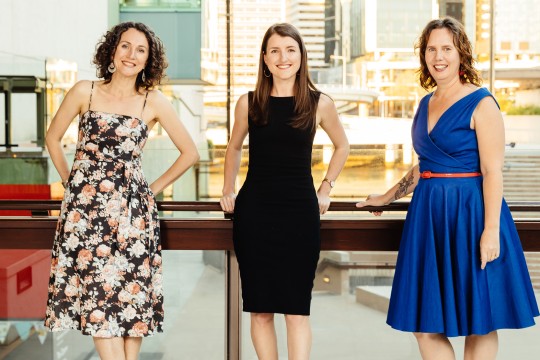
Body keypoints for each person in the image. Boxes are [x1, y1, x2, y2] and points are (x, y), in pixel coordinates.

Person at [357, 17, 538, 359]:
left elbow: (492, 170)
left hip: (472, 216)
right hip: (429, 217)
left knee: (479, 320)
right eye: (431, 49)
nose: (438, 56)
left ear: (461, 54)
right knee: (425, 327)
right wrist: (386, 196)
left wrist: (490, 232)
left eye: (446, 49)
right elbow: (426, 164)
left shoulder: (482, 103)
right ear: (423, 56)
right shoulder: (425, 103)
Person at [44, 22, 199, 360]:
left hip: (132, 217)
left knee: (129, 307)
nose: (131, 55)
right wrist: (71, 182)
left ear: (148, 60)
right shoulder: (84, 90)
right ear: (112, 51)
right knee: (99, 304)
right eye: (125, 46)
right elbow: (52, 138)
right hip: (86, 214)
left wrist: (150, 190)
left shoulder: (153, 101)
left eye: (140, 50)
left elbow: (191, 152)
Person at [220, 23, 349, 360]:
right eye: (275, 50)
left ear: (301, 56)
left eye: (290, 49)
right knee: (260, 309)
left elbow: (342, 146)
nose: (283, 57)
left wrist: (327, 186)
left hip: (300, 214)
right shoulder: (248, 103)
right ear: (264, 58)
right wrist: (227, 188)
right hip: (255, 213)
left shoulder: (320, 103)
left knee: (296, 309)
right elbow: (233, 149)